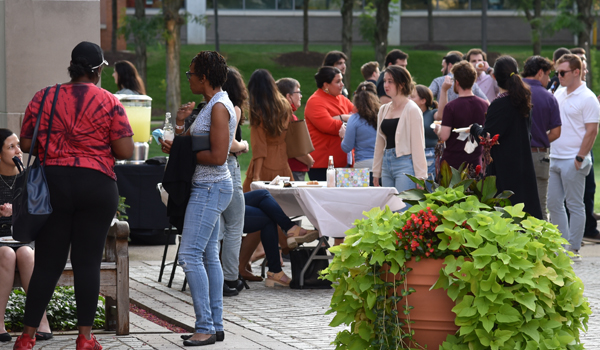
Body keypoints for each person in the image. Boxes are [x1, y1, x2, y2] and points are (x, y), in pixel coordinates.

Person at [14, 41, 134, 350]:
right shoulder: (110, 102)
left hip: (53, 185)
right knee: (87, 262)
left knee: (47, 263)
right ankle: (84, 338)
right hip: (96, 186)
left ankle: (26, 338)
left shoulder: (44, 96)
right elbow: (124, 150)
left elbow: (26, 143)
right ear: (97, 70)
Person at [160, 51, 236, 346]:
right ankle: (214, 325)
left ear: (204, 77)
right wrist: (179, 129)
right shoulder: (211, 105)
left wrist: (181, 149)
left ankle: (205, 326)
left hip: (210, 187)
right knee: (207, 256)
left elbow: (218, 157)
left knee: (189, 255)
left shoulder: (218, 108)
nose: (188, 78)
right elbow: (189, 141)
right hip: (209, 187)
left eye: (191, 73)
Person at [470, 55, 543, 220]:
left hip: (505, 169)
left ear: (494, 77)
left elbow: (487, 137)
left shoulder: (499, 104)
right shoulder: (523, 100)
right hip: (523, 164)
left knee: (507, 217)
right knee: (526, 216)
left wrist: (474, 128)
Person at [0, 130, 52, 344]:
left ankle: (41, 321)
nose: (18, 151)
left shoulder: (28, 178)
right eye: (11, 147)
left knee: (26, 255)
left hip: (23, 238)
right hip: (0, 241)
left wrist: (19, 211)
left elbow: (40, 212)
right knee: (6, 255)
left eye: (19, 146)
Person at [547, 54, 600, 260]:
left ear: (576, 72)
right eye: (557, 72)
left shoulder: (587, 98)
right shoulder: (559, 92)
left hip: (573, 159)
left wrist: (579, 158)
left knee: (575, 205)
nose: (558, 76)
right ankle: (561, 245)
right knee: (553, 204)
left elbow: (592, 131)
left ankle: (573, 248)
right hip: (554, 157)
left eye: (562, 72)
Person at [240, 190, 318, 286]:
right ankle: (275, 270)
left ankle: (291, 229)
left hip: (228, 198)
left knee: (263, 194)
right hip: (220, 204)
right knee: (268, 218)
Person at [219, 67, 250, 296]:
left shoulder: (214, 108)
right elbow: (230, 145)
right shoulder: (234, 108)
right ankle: (230, 277)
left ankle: (220, 275)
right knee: (234, 226)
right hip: (229, 167)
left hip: (213, 170)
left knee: (221, 226)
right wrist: (244, 145)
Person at [373, 65, 427, 194]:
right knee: (389, 209)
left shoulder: (412, 109)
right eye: (385, 81)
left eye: (390, 81)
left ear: (402, 84)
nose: (386, 84)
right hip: (386, 164)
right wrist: (376, 171)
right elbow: (379, 143)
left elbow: (418, 144)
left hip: (405, 163)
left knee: (403, 209)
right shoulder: (383, 109)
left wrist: (421, 176)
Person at [520, 56, 562, 221]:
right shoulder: (548, 97)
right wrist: (539, 137)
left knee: (516, 206)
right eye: (548, 74)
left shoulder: (512, 93)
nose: (548, 79)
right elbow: (556, 132)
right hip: (539, 155)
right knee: (539, 208)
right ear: (540, 73)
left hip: (516, 154)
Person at [242, 69, 294, 192]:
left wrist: (256, 176)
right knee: (286, 206)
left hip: (263, 166)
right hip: (282, 163)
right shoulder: (285, 105)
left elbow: (259, 147)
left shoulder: (258, 112)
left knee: (247, 205)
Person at [304, 66, 354, 180]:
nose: (342, 84)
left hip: (342, 161)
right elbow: (329, 126)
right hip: (322, 163)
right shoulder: (315, 101)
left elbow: (360, 117)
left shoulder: (342, 98)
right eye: (338, 82)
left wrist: (340, 117)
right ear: (326, 85)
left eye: (342, 80)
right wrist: (347, 119)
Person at [436, 61, 488, 170]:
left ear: (457, 82)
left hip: (453, 164)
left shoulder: (451, 107)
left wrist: (438, 130)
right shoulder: (485, 104)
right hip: (476, 162)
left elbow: (444, 136)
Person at [276, 78, 315, 181]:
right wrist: (309, 160)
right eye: (298, 92)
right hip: (293, 169)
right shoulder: (288, 117)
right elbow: (295, 150)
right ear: (289, 96)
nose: (301, 96)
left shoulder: (281, 115)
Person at [340, 82, 379, 173]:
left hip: (363, 164)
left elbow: (346, 147)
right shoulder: (382, 115)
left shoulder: (354, 119)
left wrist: (343, 136)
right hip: (382, 164)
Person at [410, 85, 439, 179]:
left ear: (423, 101)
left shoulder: (432, 114)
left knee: (429, 188)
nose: (409, 99)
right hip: (412, 157)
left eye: (412, 97)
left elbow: (442, 114)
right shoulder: (409, 115)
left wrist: (444, 90)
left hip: (430, 156)